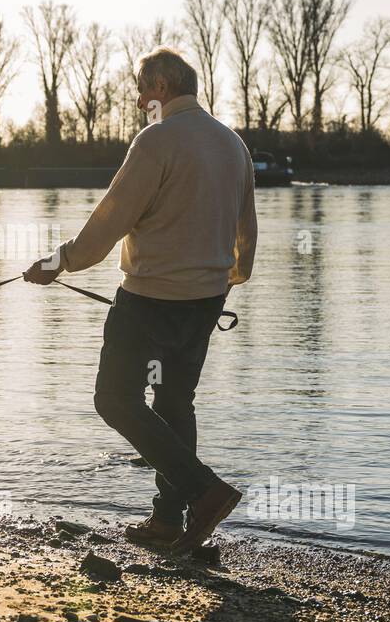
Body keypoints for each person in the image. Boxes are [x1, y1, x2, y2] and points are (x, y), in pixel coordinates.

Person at [23, 46, 258, 556]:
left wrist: (59, 261)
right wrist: (227, 279)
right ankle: (169, 520)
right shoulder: (233, 145)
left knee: (115, 399)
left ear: (162, 87)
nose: (137, 99)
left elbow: (112, 218)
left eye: (141, 89)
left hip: (149, 300)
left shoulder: (156, 141)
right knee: (175, 404)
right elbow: (246, 230)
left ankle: (205, 492)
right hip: (206, 301)